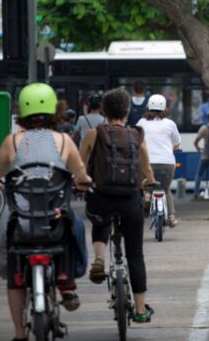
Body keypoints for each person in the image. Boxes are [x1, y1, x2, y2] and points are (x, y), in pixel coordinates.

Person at [0, 83, 91, 341]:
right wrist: (82, 183)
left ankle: (20, 333)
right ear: (56, 110)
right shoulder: (64, 140)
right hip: (55, 218)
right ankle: (68, 281)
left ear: (22, 111)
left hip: (20, 221)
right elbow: (81, 176)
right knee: (75, 225)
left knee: (11, 262)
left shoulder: (12, 141)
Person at [79, 88, 158, 324]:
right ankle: (141, 309)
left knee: (100, 217)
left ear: (104, 111)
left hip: (102, 196)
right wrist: (149, 183)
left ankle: (99, 260)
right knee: (135, 253)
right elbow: (147, 170)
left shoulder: (94, 134)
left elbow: (80, 166)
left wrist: (81, 183)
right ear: (127, 111)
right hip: (131, 200)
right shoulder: (137, 135)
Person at [136, 93, 182, 227]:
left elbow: (136, 141)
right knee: (165, 189)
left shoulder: (141, 122)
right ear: (164, 108)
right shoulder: (170, 123)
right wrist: (171, 149)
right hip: (167, 163)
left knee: (147, 184)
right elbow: (177, 143)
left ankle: (147, 195)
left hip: (146, 163)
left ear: (148, 107)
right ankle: (172, 218)